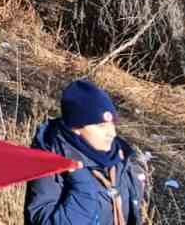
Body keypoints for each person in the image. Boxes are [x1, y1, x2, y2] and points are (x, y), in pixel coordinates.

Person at [25, 80, 148, 225]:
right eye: (101, 126)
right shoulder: (51, 161)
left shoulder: (121, 159)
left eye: (113, 124)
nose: (112, 133)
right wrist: (83, 189)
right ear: (76, 128)